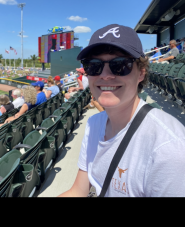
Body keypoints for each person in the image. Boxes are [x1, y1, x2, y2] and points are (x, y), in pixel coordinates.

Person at [58, 23, 185, 197]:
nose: (105, 75)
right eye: (93, 65)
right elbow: (78, 191)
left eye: (120, 65)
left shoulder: (169, 148)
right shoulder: (93, 124)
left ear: (141, 73)